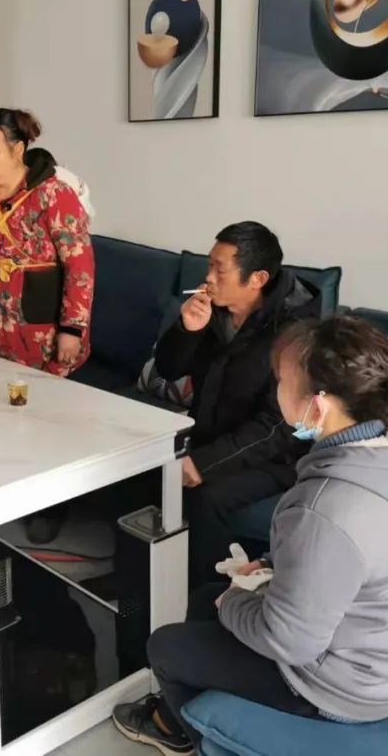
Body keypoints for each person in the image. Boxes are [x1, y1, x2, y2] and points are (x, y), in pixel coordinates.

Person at [113, 315, 388, 754]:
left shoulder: (326, 507)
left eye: (282, 382)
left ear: (318, 408)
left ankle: (184, 734)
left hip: (346, 688)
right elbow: (364, 555)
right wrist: (274, 566)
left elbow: (289, 640)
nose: (276, 392)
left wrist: (233, 601)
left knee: (167, 645)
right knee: (203, 599)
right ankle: (188, 707)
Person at [154, 222, 321, 585]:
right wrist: (186, 330)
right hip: (211, 432)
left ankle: (213, 594)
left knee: (205, 496)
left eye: (220, 269)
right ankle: (146, 577)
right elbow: (168, 369)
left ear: (257, 278)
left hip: (277, 456)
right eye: (209, 265)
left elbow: (277, 426)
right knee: (143, 467)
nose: (208, 277)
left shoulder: (295, 331)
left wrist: (205, 462)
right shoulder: (213, 308)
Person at [0, 108, 95, 377]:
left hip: (39, 331)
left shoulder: (54, 195)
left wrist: (72, 329)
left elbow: (80, 266)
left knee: (37, 396)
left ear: (18, 150)